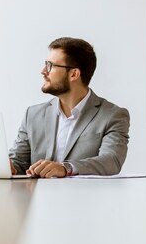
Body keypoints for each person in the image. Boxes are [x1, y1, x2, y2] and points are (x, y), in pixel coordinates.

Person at [9, 37, 130, 178]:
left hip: (85, 197)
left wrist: (65, 168)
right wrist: (8, 166)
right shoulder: (33, 114)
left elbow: (111, 161)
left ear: (74, 74)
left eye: (50, 65)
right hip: (38, 198)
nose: (43, 71)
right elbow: (18, 162)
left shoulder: (112, 115)